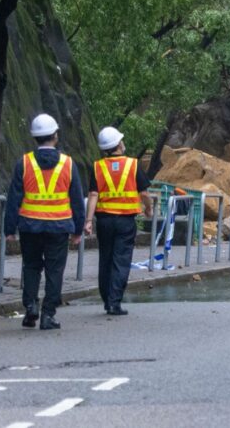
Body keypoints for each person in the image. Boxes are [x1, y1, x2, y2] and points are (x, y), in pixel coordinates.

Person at [4, 113, 84, 330]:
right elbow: (77, 200)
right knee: (54, 270)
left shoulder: (24, 163)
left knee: (31, 267)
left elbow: (14, 198)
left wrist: (9, 229)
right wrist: (79, 229)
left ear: (34, 138)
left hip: (30, 226)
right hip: (59, 226)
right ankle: (48, 315)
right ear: (55, 136)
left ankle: (31, 306)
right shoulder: (68, 164)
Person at [84, 126, 150, 317]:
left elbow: (93, 194)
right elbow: (144, 193)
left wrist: (89, 220)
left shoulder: (98, 167)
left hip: (104, 220)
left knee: (105, 258)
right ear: (119, 144)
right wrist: (149, 207)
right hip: (125, 220)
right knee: (121, 260)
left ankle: (107, 299)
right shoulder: (133, 165)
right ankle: (114, 302)